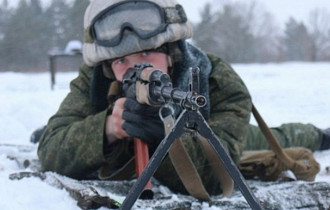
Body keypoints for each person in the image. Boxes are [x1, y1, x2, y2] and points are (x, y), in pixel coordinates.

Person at [36, 0, 330, 197]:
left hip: (205, 133)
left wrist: (165, 139)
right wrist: (107, 129)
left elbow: (219, 178)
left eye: (146, 53)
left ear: (171, 52)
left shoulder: (215, 77)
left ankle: (319, 134)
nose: (135, 68)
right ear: (107, 64)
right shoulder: (96, 79)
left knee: (272, 138)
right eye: (121, 59)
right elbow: (51, 150)